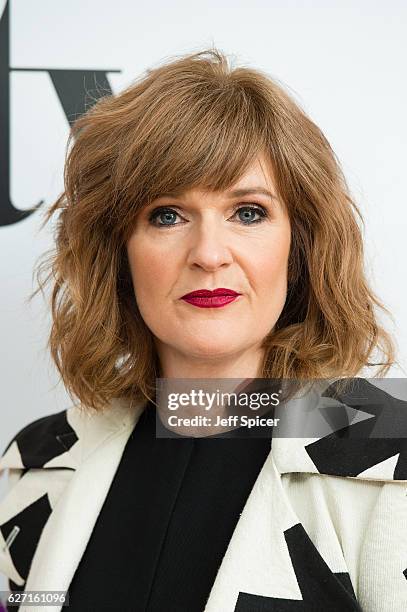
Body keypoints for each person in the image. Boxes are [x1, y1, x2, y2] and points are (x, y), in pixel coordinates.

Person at [0, 48, 405, 612]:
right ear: (118, 253)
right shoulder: (39, 459)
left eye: (248, 212)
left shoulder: (388, 444)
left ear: (300, 246)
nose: (209, 254)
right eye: (167, 215)